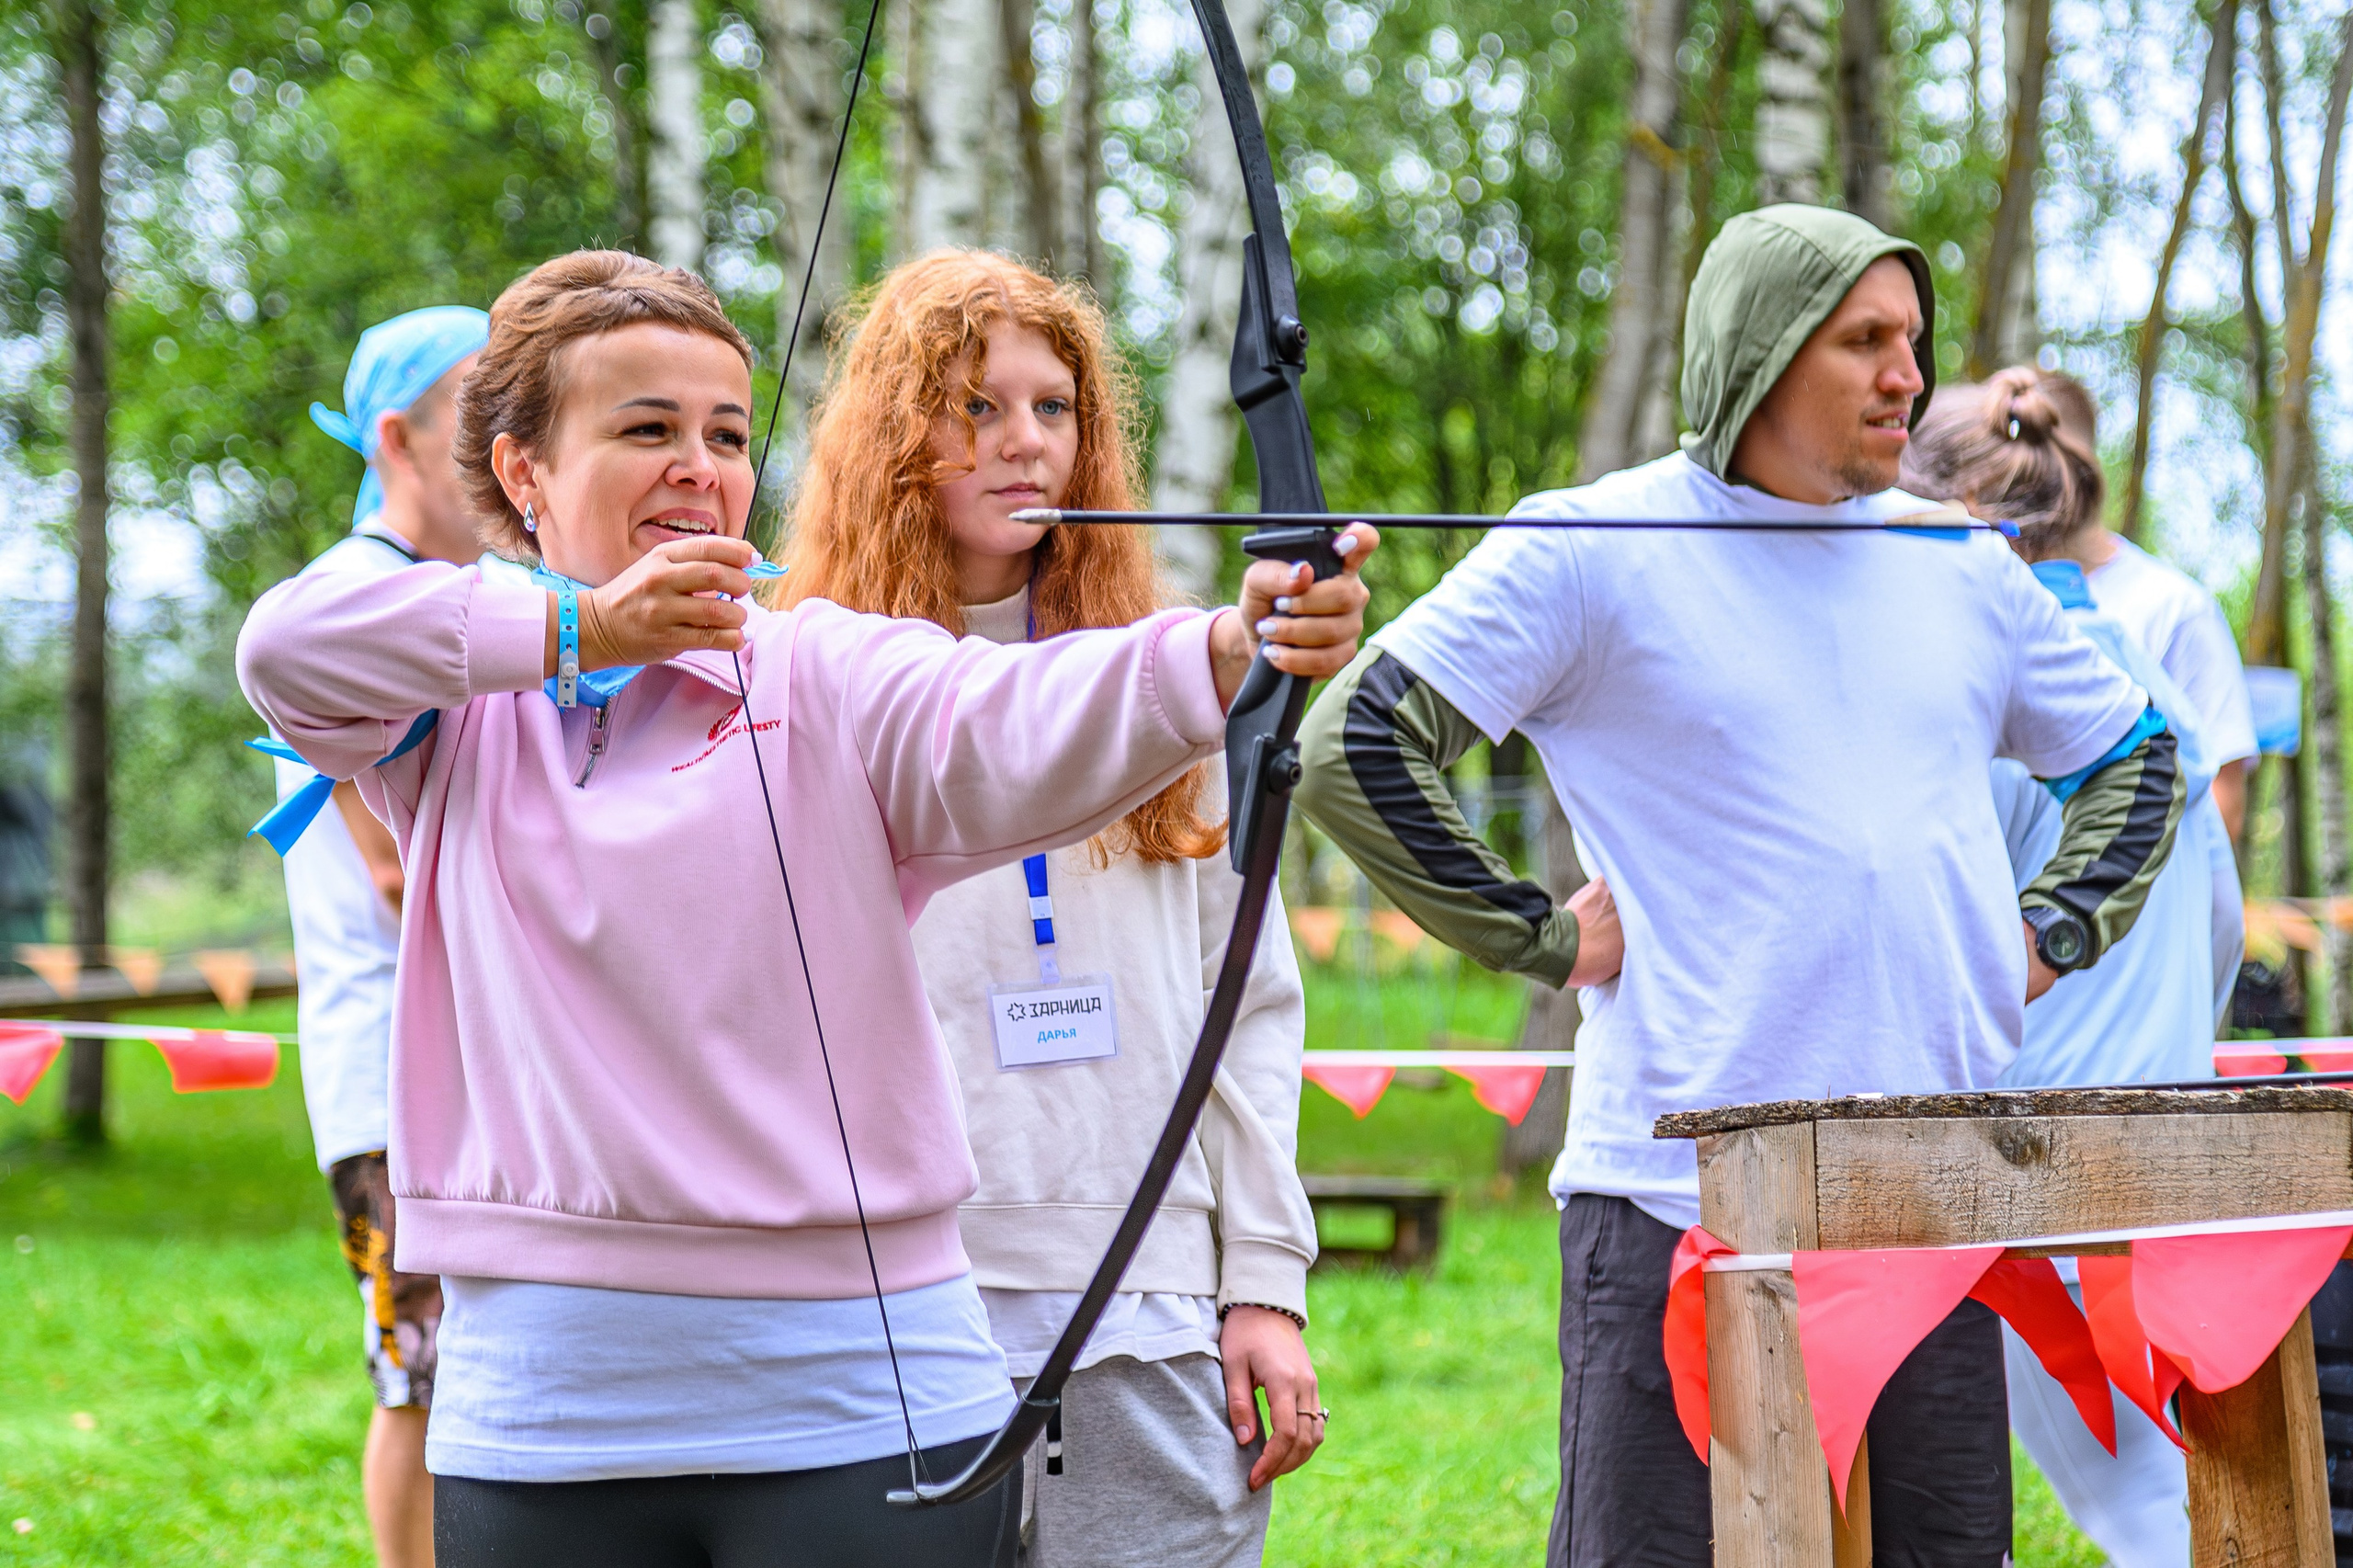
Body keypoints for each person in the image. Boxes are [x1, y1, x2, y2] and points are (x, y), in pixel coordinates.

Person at [235, 249, 1375, 1568]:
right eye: (645, 427)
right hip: (543, 1408)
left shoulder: (821, 664)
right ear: (522, 470)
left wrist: (1227, 648)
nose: (698, 465)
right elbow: (285, 649)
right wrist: (584, 634)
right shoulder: (458, 711)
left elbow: (1006, 715)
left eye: (725, 432)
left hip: (858, 1394)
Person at [1290, 204, 2185, 1567]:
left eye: (1915, 341)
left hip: (1932, 1199)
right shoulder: (1588, 544)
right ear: (1760, 355)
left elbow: (2137, 753)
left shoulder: (1954, 562)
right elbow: (1354, 741)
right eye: (1865, 341)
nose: (1910, 375)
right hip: (1676, 1199)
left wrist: (2053, 929)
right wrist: (1537, 933)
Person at [778, 251, 1320, 1567]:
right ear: (895, 439)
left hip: (1143, 1290)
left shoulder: (1169, 680)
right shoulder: (804, 677)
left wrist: (1262, 1277)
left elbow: (1240, 999)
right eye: (977, 407)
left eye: (1056, 407)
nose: (1027, 442)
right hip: (898, 1301)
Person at [1908, 370, 2220, 1567]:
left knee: (2147, 1505)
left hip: (2047, 1169)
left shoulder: (1992, 698)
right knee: (2168, 1483)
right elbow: (2224, 927)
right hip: (2171, 1143)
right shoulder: (2146, 687)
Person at [274, 303, 489, 1568]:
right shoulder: (355, 606)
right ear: (397, 435)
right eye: (478, 406)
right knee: (417, 1369)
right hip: (392, 1089)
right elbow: (406, 869)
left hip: (452, 1075)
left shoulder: (437, 597)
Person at [1964, 367, 2256, 1030]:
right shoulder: (1991, 607)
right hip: (2035, 972)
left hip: (2119, 952)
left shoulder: (2173, 610)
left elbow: (2216, 808)